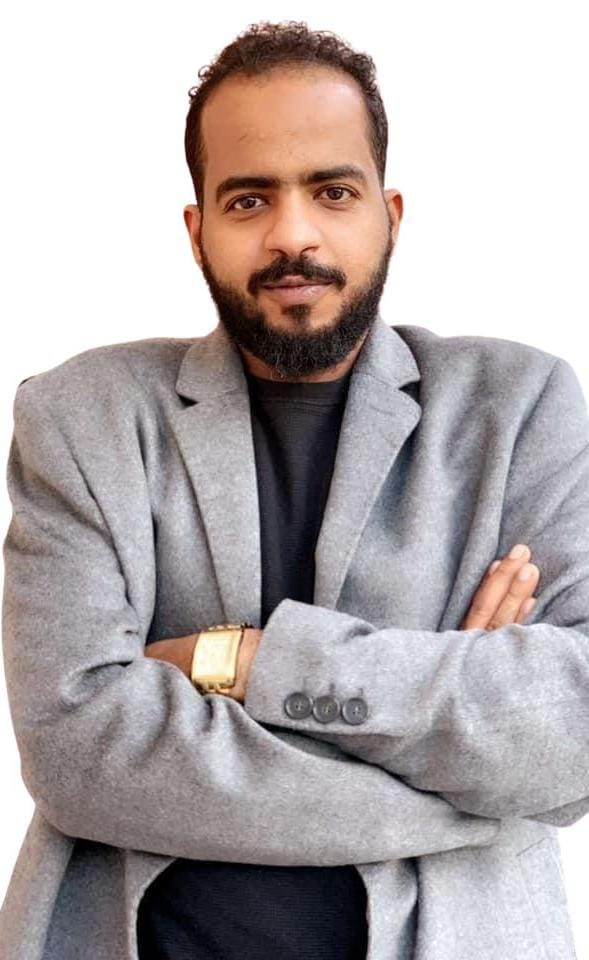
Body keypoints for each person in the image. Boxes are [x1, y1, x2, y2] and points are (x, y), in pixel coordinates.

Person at [1, 18, 587, 960]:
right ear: (197, 230)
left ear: (390, 214)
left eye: (332, 191)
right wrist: (462, 764)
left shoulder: (519, 408)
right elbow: (76, 751)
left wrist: (242, 661)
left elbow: (571, 733)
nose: (292, 235)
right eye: (248, 200)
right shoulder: (81, 417)